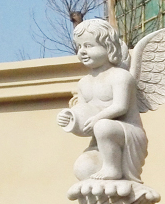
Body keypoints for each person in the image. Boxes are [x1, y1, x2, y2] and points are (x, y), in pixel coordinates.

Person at [57, 19, 147, 183]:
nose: (82, 51)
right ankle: (106, 166)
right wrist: (69, 118)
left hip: (128, 134)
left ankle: (113, 169)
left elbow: (120, 107)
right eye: (79, 46)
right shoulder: (83, 83)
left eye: (88, 46)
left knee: (103, 125)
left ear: (109, 47)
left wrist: (97, 119)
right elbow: (83, 114)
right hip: (98, 141)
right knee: (83, 168)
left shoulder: (120, 76)